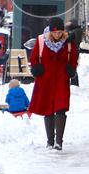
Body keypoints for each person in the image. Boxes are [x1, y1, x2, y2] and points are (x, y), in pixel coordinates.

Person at [28, 17, 79, 151]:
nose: (57, 35)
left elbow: (73, 57)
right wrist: (36, 68)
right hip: (45, 80)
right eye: (54, 32)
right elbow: (33, 58)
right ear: (50, 31)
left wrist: (71, 69)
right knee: (48, 109)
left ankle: (58, 141)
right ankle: (49, 141)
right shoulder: (41, 41)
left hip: (61, 80)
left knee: (60, 108)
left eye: (60, 32)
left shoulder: (68, 42)